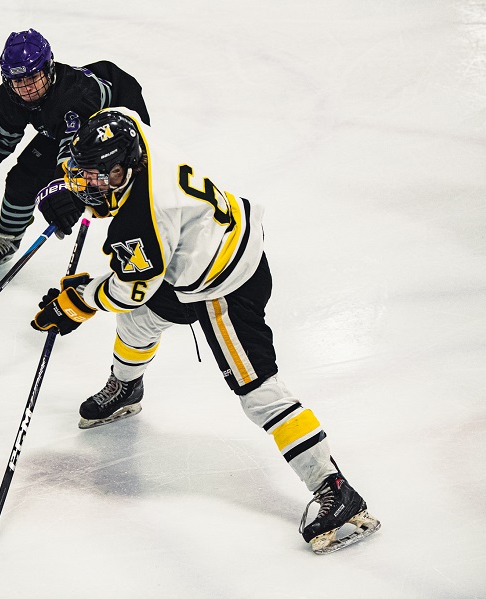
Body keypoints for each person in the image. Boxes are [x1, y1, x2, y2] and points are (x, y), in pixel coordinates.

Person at [30, 108, 381, 554]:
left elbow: (132, 288)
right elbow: (119, 112)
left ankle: (335, 489)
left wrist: (78, 301)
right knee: (139, 323)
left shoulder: (146, 215)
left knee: (257, 391)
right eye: (89, 175)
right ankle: (126, 389)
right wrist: (76, 192)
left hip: (224, 288)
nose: (94, 183)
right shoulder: (130, 130)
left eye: (104, 175)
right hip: (203, 253)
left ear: (128, 164)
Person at [0, 29, 150, 274]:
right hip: (66, 127)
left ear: (48, 69)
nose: (26, 88)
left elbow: (74, 151)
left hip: (120, 123)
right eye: (18, 81)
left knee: (118, 189)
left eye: (32, 77)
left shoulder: (73, 96)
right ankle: (8, 238)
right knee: (23, 177)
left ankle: (142, 249)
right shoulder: (12, 97)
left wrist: (65, 186)